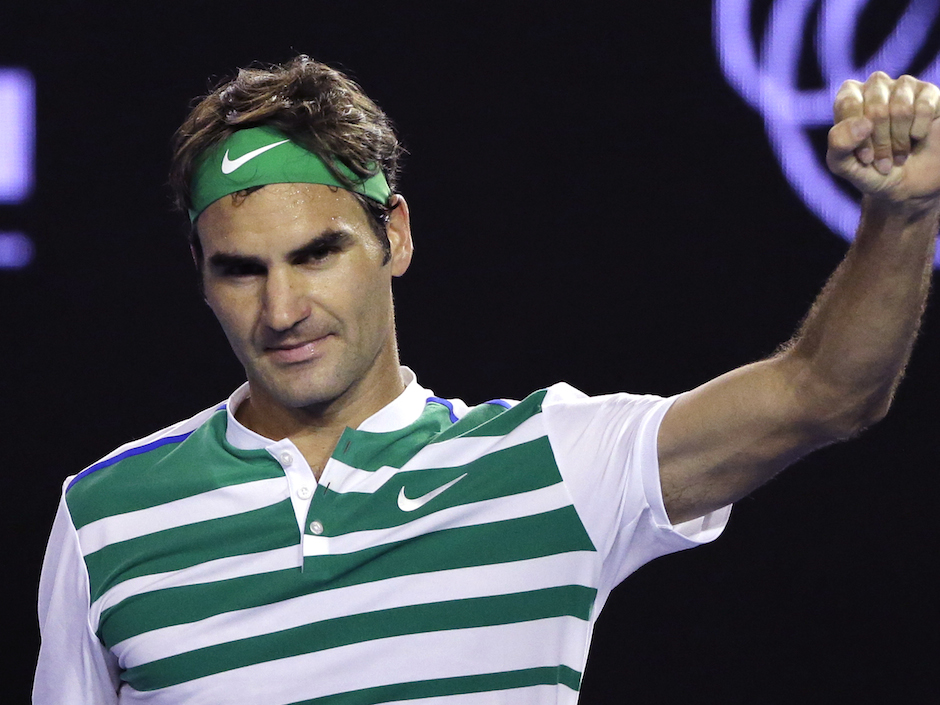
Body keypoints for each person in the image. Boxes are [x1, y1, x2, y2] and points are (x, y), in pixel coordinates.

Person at [33, 55, 940, 704]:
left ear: (394, 237)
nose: (281, 309)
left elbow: (826, 392)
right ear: (199, 271)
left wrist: (901, 218)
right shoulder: (105, 514)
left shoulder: (551, 463)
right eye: (241, 269)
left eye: (317, 254)